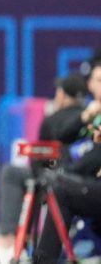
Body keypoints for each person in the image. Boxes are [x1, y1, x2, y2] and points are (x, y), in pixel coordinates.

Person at [0, 73, 89, 264]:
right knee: (38, 178)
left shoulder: (54, 120)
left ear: (63, 95)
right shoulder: (91, 117)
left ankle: (8, 243)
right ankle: (15, 244)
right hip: (81, 179)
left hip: (62, 181)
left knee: (17, 175)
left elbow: (39, 162)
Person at [32, 62, 101, 264]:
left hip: (85, 179)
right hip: (85, 177)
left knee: (60, 188)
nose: (94, 85)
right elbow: (61, 136)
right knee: (58, 184)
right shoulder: (90, 114)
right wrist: (85, 116)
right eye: (94, 80)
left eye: (99, 81)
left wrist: (66, 173)